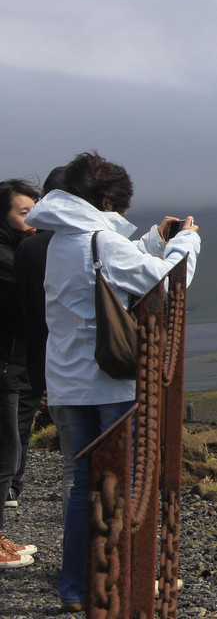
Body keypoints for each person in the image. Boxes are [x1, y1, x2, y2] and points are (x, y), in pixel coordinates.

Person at [24, 152, 201, 611]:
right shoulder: (100, 239)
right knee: (128, 486)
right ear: (104, 199)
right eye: (119, 204)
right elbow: (165, 286)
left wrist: (150, 241)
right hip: (112, 385)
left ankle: (77, 587)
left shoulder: (62, 240)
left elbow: (106, 276)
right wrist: (187, 244)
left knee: (84, 486)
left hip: (67, 383)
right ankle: (124, 584)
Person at [11, 167, 66, 508]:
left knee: (22, 411)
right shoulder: (90, 241)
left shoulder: (28, 248)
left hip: (29, 341)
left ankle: (12, 482)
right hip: (72, 345)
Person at [0, 178, 41, 568]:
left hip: (11, 364)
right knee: (5, 451)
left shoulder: (13, 251)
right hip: (4, 365)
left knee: (9, 449)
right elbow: (22, 306)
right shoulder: (6, 259)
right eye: (23, 213)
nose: (31, 221)